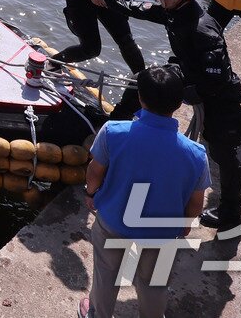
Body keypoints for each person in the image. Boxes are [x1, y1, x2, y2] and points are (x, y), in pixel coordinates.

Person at [110, 0, 241, 230]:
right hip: (188, 72)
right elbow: (139, 9)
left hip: (217, 95)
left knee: (222, 152)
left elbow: (216, 77)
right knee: (143, 84)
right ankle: (116, 128)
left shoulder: (203, 30)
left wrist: (188, 94)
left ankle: (231, 212)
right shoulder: (174, 11)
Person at [80, 64, 210, 318]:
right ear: (179, 103)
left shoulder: (113, 132)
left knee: (106, 273)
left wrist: (91, 193)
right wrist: (185, 224)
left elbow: (95, 172)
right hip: (162, 230)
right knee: (153, 283)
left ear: (140, 97)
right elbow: (196, 202)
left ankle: (98, 314)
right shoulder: (196, 154)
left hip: (113, 220)